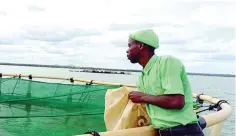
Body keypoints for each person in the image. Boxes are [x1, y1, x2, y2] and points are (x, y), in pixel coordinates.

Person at [126, 29, 205, 136]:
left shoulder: (167, 63)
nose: (127, 50)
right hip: (162, 132)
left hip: (184, 131)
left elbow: (177, 101)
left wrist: (142, 97)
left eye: (129, 45)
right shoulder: (142, 77)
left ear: (140, 46)